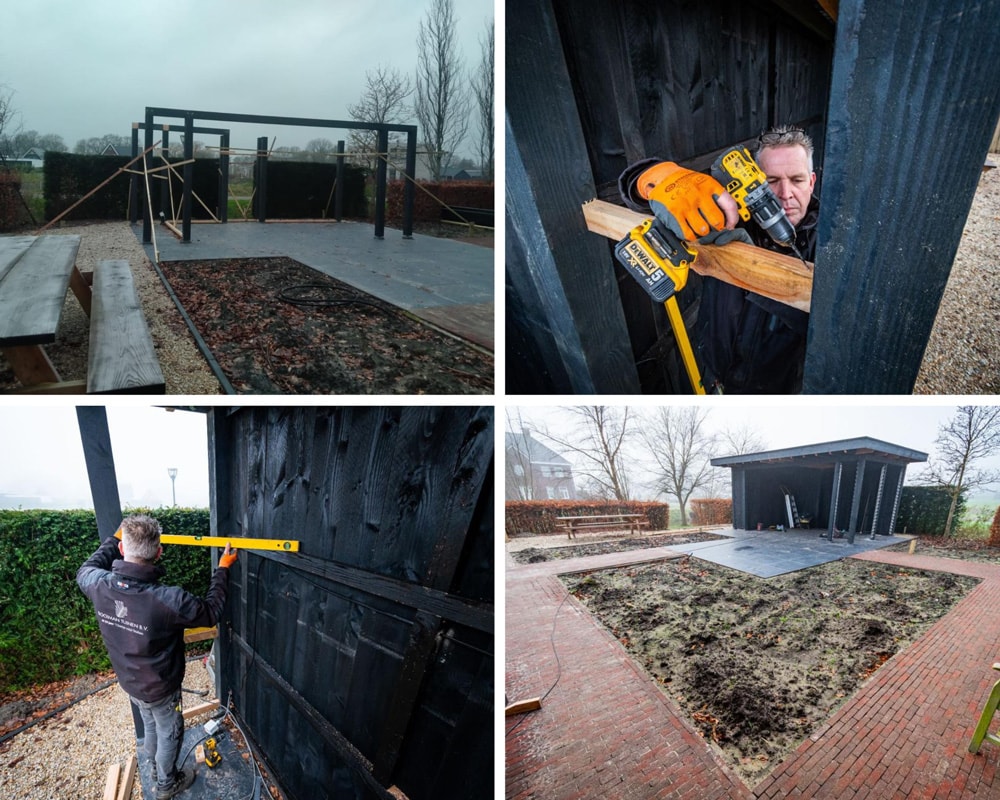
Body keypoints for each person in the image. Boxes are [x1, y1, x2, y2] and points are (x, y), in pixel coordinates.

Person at [620, 125, 820, 393]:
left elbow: (827, 327)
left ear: (812, 181)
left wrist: (753, 270)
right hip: (709, 372)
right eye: (771, 181)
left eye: (796, 180)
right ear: (754, 180)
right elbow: (644, 192)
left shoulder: (832, 245)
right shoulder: (730, 213)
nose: (784, 194)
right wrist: (661, 178)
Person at [76, 515, 237, 800]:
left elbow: (86, 568)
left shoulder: (98, 584)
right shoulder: (168, 600)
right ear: (159, 552)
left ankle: (152, 768)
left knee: (150, 724)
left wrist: (114, 540)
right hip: (161, 688)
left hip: (130, 682)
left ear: (123, 549)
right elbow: (212, 611)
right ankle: (166, 783)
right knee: (170, 734)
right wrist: (222, 569)